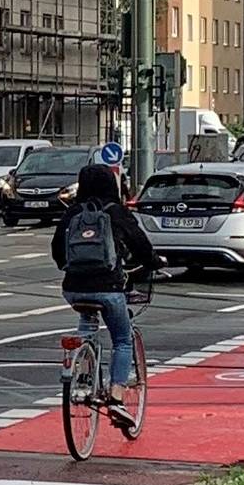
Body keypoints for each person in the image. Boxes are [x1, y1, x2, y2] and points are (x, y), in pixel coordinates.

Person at [53, 163, 161, 400]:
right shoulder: (116, 211)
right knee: (122, 339)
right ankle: (117, 394)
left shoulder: (72, 213)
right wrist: (154, 262)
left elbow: (57, 250)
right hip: (109, 287)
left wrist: (70, 267)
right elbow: (140, 244)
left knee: (87, 321)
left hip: (73, 289)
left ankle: (82, 371)